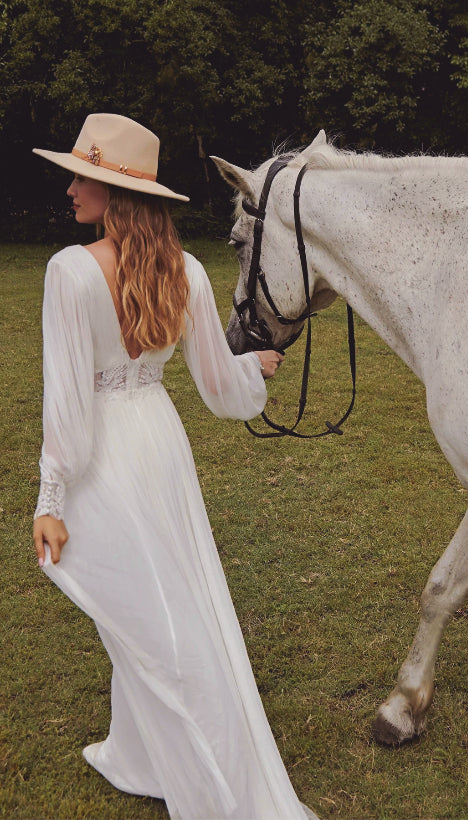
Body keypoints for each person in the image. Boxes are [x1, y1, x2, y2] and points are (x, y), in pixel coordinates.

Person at [32, 113, 316, 820]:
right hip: (159, 443)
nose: (70, 188)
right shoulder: (184, 269)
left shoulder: (69, 271)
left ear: (116, 193)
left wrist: (50, 498)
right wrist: (250, 370)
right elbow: (218, 389)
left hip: (106, 456)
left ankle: (212, 781)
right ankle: (140, 753)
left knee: (152, 621)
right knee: (153, 609)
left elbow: (67, 405)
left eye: (84, 177)